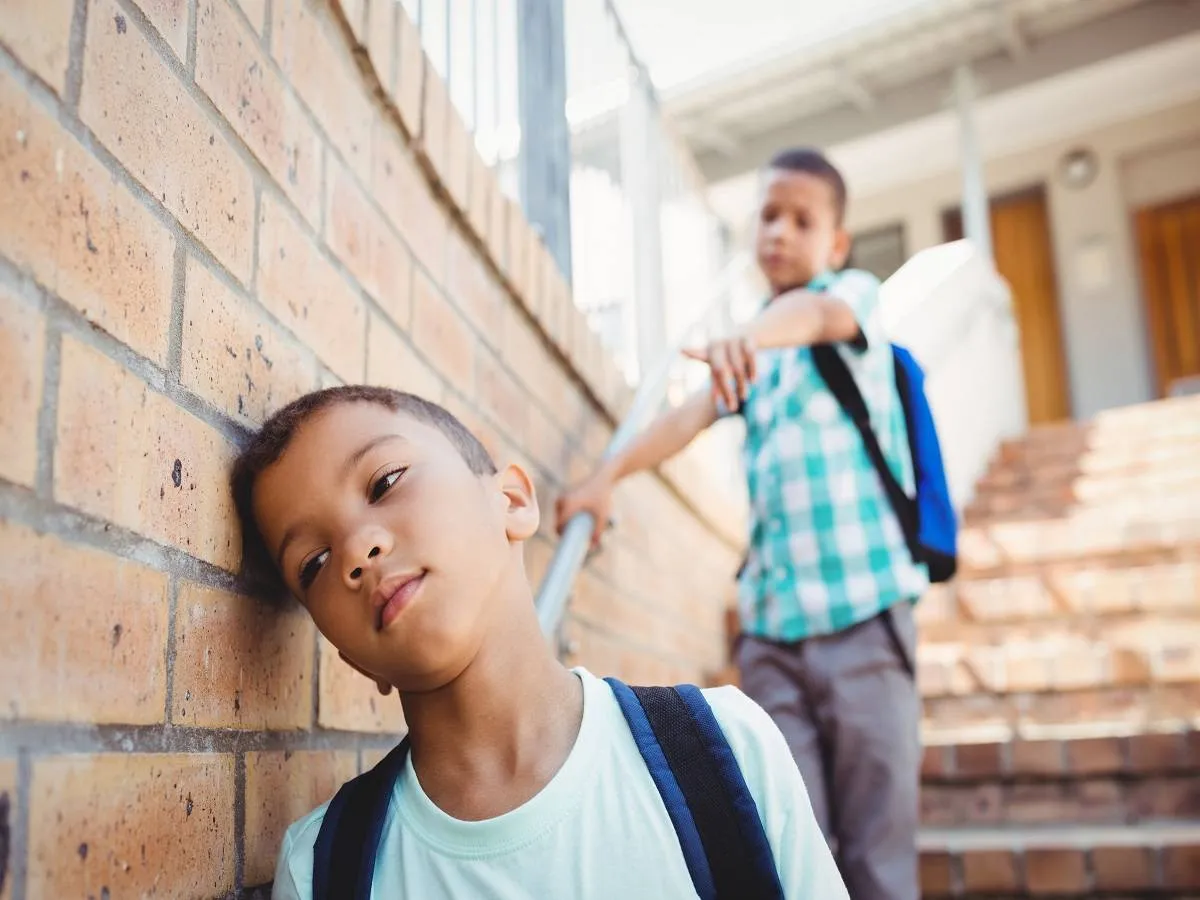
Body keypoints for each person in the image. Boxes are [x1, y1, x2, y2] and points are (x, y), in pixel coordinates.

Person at [231, 384, 847, 898]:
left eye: (385, 482)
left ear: (513, 501)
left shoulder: (726, 752)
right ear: (349, 656)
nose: (356, 552)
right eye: (312, 564)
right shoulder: (322, 872)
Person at [557, 148, 927, 900]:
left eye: (802, 220)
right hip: (774, 638)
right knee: (784, 843)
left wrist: (751, 336)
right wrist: (605, 477)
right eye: (767, 215)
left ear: (836, 244)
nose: (779, 233)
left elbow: (818, 314)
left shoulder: (849, 299)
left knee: (877, 852)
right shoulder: (748, 353)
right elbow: (685, 419)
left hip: (866, 623)